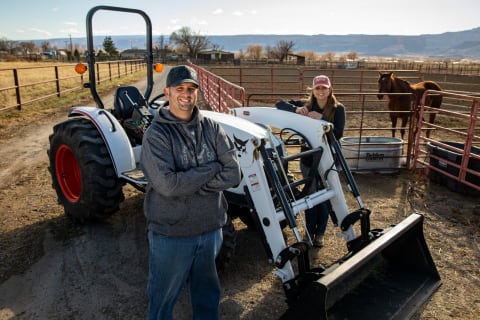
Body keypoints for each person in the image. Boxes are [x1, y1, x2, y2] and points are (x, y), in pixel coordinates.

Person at [140, 65, 241, 320]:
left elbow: (233, 174)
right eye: (180, 89)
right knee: (163, 298)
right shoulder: (156, 135)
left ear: (197, 92)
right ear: (167, 92)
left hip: (210, 230)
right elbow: (168, 186)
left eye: (191, 88)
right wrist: (212, 168)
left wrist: (193, 184)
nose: (186, 94)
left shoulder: (211, 128)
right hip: (172, 234)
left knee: (207, 295)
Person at [275, 75, 346, 247]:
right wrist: (296, 110)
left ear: (330, 90)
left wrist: (321, 119)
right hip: (308, 157)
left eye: (324, 88)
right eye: (318, 88)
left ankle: (319, 234)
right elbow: (279, 104)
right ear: (313, 90)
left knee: (325, 197)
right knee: (311, 196)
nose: (321, 91)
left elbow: (337, 134)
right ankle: (308, 233)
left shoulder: (338, 109)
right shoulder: (305, 105)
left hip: (328, 158)